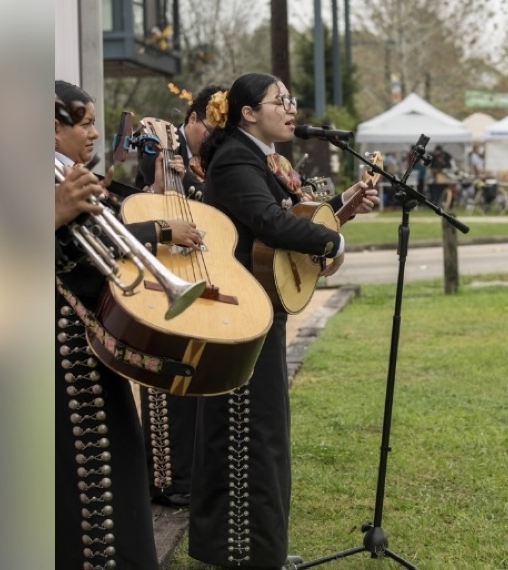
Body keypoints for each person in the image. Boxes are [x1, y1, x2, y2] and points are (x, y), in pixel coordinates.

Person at [188, 73, 377, 569]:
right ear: (249, 112)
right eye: (280, 101)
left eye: (291, 100)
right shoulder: (235, 160)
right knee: (249, 433)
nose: (291, 109)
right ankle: (244, 553)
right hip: (238, 312)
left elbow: (280, 225)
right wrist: (331, 242)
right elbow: (270, 224)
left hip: (256, 307)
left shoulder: (258, 159)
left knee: (261, 431)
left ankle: (256, 548)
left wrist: (339, 211)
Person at [54, 80, 200, 570]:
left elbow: (107, 234)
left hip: (91, 347)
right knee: (77, 499)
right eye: (86, 122)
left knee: (112, 489)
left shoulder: (71, 176)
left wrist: (155, 196)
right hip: (55, 365)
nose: (95, 132)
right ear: (52, 128)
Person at [132, 83, 225, 509]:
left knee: (197, 377)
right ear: (190, 120)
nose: (214, 134)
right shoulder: (161, 147)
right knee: (164, 382)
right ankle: (168, 479)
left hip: (199, 269)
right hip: (162, 268)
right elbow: (150, 197)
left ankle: (191, 474)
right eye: (210, 125)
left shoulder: (210, 162)